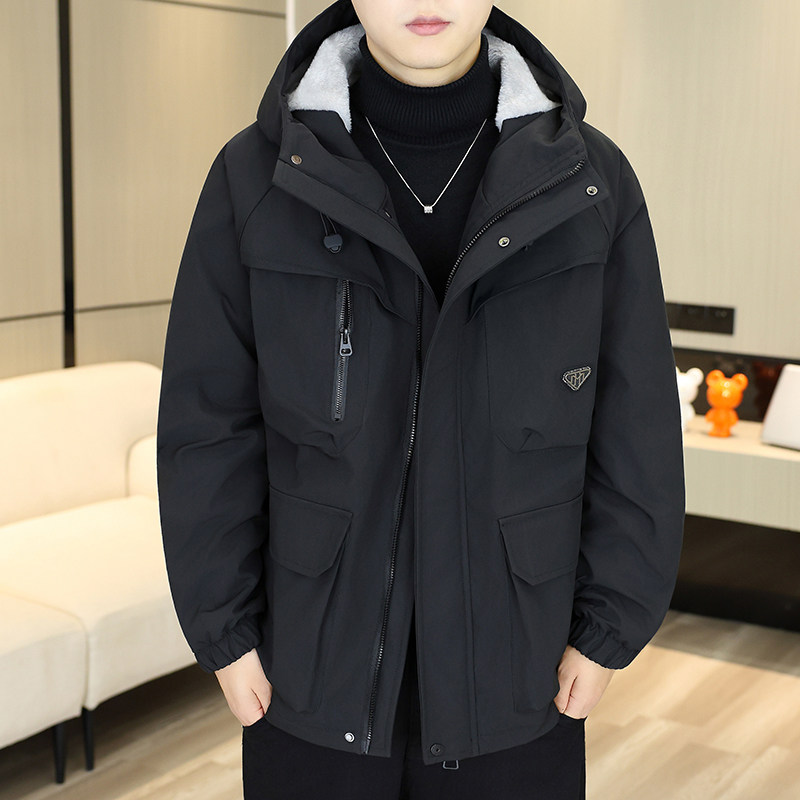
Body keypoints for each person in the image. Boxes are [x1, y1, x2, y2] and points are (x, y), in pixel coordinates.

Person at [156, 0, 686, 797]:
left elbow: (635, 423)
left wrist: (609, 627)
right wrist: (224, 633)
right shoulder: (255, 176)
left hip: (519, 676)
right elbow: (208, 424)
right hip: (308, 675)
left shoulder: (592, 182)